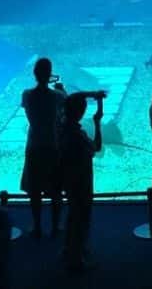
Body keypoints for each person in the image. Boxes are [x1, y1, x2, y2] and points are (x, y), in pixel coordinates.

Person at [59, 90, 105, 273]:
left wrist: (92, 94)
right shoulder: (78, 136)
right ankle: (76, 260)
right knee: (82, 217)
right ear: (80, 112)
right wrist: (97, 123)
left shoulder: (61, 127)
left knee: (72, 214)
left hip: (68, 179)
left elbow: (73, 99)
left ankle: (69, 248)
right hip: (82, 181)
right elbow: (97, 147)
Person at [21, 57, 67, 238]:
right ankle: (56, 226)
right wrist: (62, 89)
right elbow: (68, 105)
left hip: (34, 144)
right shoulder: (57, 96)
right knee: (56, 188)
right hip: (53, 144)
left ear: (34, 74)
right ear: (49, 74)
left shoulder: (26, 95)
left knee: (35, 189)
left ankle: (37, 226)